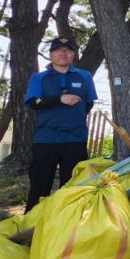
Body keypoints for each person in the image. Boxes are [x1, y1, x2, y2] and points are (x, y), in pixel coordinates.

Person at [24, 36, 99, 211]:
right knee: (39, 187)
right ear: (50, 54)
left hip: (75, 139)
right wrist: (60, 99)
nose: (63, 53)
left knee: (73, 188)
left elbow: (88, 103)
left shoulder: (84, 76)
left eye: (67, 50)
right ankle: (29, 227)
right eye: (58, 49)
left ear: (73, 54)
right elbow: (33, 103)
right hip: (46, 139)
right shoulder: (39, 78)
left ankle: (69, 227)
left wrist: (74, 118)